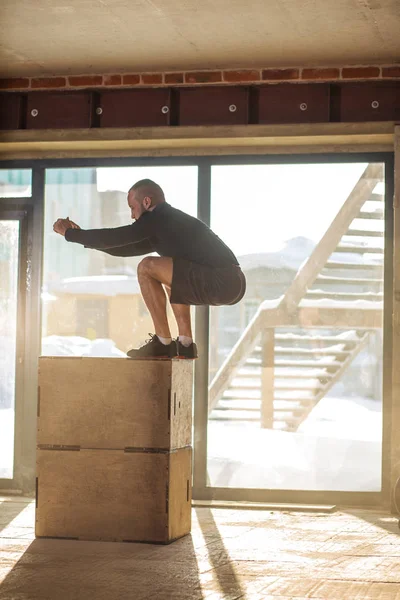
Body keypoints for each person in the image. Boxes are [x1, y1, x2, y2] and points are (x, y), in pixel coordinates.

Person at [53, 179, 246, 360]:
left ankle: (163, 343)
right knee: (170, 274)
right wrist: (80, 237)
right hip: (232, 282)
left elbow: (117, 237)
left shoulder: (160, 218)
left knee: (146, 267)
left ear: (146, 201)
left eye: (132, 207)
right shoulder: (164, 225)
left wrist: (71, 234)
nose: (132, 215)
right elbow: (122, 248)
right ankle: (185, 344)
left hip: (222, 279)